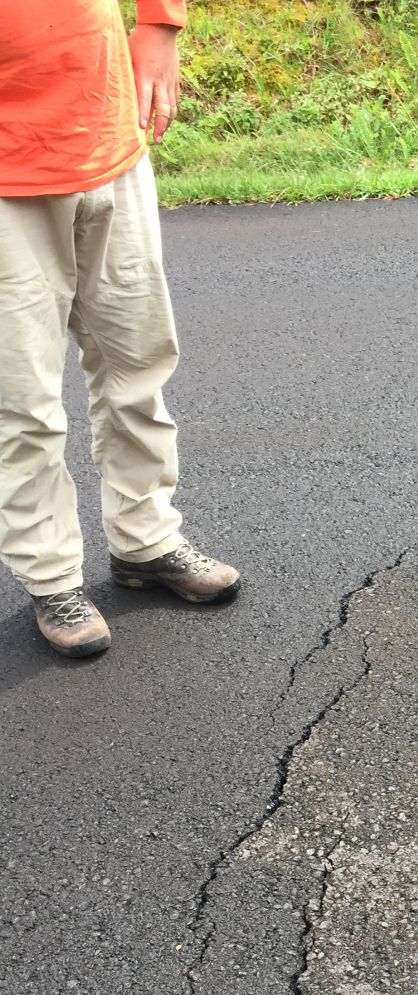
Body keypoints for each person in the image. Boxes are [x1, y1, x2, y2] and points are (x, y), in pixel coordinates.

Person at [0, 1, 239, 659]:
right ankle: (52, 580)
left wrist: (161, 25)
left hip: (108, 132)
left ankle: (145, 540)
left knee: (137, 362)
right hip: (6, 171)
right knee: (22, 404)